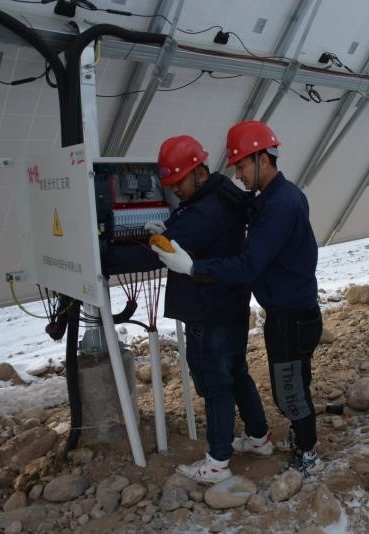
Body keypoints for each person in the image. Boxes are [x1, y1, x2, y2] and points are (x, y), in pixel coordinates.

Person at [152, 121, 325, 477]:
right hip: (291, 312)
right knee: (285, 383)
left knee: (290, 391)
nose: (238, 174)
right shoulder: (277, 197)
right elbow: (244, 212)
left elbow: (249, 265)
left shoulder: (278, 205)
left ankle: (307, 454)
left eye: (242, 165)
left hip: (291, 317)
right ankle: (282, 439)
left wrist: (193, 267)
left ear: (263, 159)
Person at [102, 135, 273, 484]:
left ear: (199, 172)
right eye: (170, 184)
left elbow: (157, 253)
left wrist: (102, 256)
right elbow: (191, 236)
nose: (175, 190)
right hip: (230, 303)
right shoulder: (222, 196)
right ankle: (258, 437)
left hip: (208, 311)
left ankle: (218, 461)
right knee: (236, 373)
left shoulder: (204, 211)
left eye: (179, 181)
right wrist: (171, 228)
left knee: (214, 383)